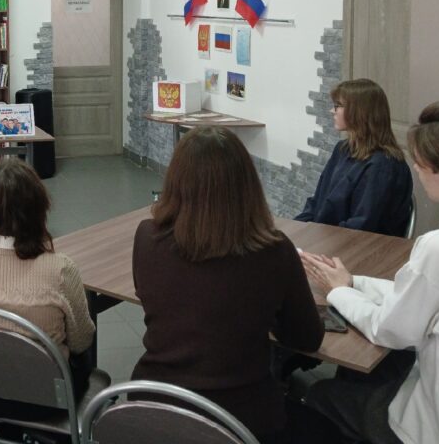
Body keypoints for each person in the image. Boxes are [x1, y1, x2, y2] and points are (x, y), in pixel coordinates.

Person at [131, 127, 324, 444]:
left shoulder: (146, 237)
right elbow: (307, 337)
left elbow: (154, 299)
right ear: (247, 185)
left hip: (154, 408)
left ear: (175, 181)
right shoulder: (275, 251)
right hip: (241, 421)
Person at [301, 114, 439, 444]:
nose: (415, 170)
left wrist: (338, 291)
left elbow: (389, 329)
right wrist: (354, 282)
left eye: (421, 164)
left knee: (321, 394)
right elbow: (422, 296)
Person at [0, 159, 95, 441]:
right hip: (48, 398)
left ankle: (5, 430)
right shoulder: (60, 269)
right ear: (39, 208)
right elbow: (81, 340)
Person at [296, 79, 412, 236]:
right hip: (326, 235)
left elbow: (362, 226)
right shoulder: (342, 149)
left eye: (338, 106)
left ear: (359, 112)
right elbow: (317, 201)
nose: (332, 111)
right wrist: (295, 228)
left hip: (354, 244)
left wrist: (316, 235)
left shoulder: (384, 165)